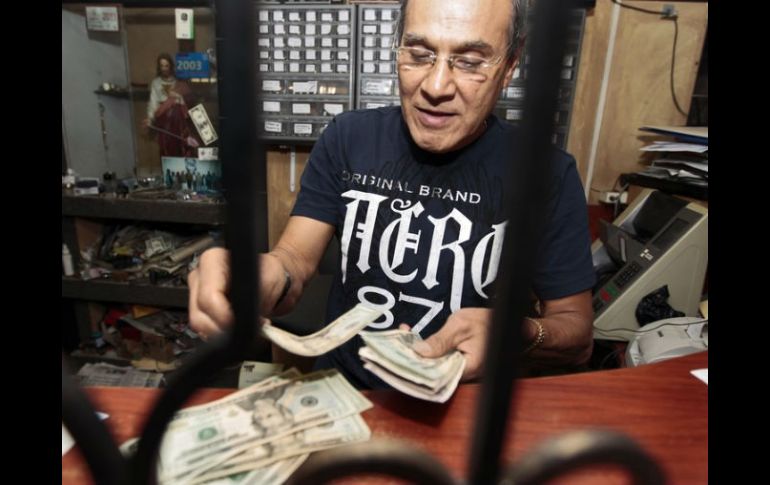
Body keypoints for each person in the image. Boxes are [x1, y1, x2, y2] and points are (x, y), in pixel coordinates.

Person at [189, 0, 595, 389]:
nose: (435, 86)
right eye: (419, 55)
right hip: (347, 390)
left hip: (470, 407)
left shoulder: (547, 174)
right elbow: (293, 258)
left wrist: (517, 333)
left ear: (509, 67)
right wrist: (260, 276)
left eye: (470, 62)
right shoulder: (348, 138)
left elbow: (577, 335)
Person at [143, 53, 197, 157]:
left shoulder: (178, 82)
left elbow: (188, 102)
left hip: (178, 121)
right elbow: (153, 102)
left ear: (171, 66)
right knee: (165, 147)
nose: (164, 69)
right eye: (162, 66)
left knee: (180, 146)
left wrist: (178, 97)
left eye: (166, 66)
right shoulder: (156, 83)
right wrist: (150, 118)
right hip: (163, 121)